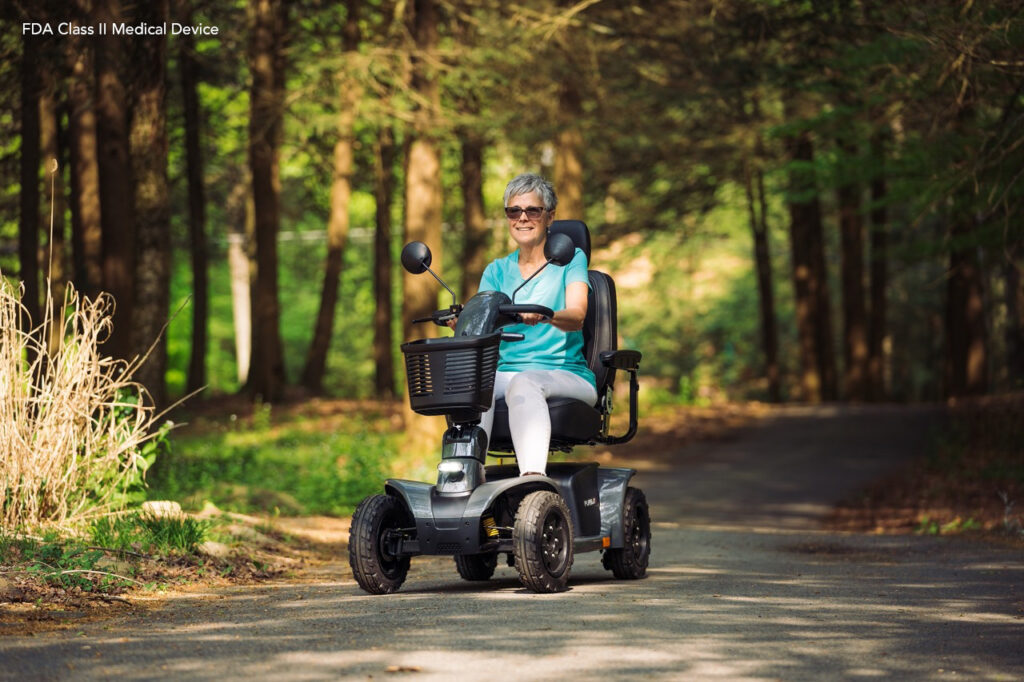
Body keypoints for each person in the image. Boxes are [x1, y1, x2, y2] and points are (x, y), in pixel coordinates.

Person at [474, 173, 597, 476]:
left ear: (549, 216)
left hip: (565, 373)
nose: (523, 218)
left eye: (533, 210)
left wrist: (546, 314)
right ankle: (464, 476)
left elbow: (577, 315)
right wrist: (460, 321)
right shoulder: (497, 270)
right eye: (514, 211)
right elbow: (480, 323)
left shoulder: (570, 260)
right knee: (473, 384)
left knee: (525, 382)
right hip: (507, 372)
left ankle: (532, 480)